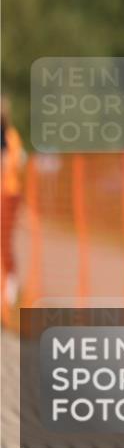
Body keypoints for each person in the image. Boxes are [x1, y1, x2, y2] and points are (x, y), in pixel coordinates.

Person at [1, 95, 26, 308]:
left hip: (7, 193)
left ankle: (11, 282)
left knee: (4, 239)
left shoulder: (10, 137)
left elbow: (11, 164)